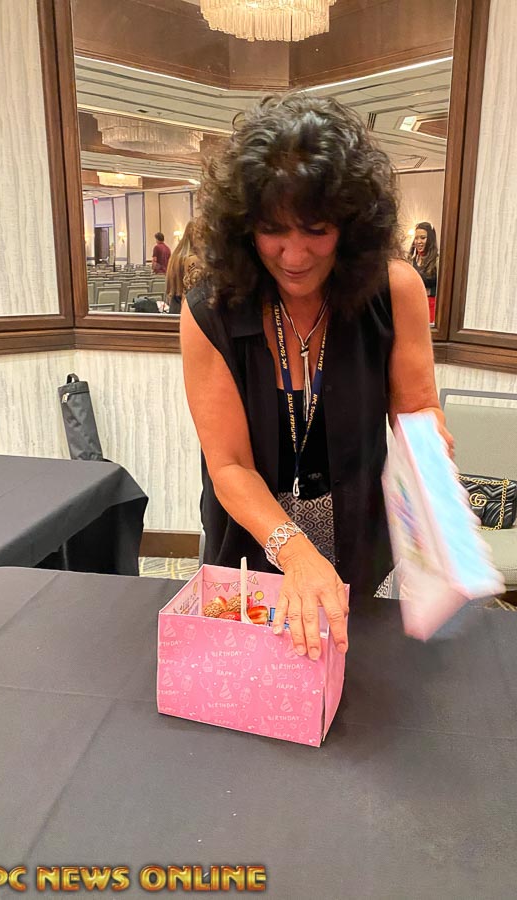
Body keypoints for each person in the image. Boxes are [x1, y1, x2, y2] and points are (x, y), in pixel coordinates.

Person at [180, 94, 453, 660]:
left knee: (361, 677)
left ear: (351, 226)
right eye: (272, 230)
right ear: (244, 226)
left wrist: (428, 444)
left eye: (316, 230)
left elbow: (417, 407)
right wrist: (296, 551)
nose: (295, 255)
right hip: (253, 536)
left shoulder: (394, 290)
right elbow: (229, 466)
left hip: (357, 529)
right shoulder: (211, 311)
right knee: (253, 678)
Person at [166, 220, 202, 315]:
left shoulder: (174, 257)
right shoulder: (193, 259)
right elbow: (192, 290)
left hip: (174, 304)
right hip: (187, 306)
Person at [407, 222, 438, 324]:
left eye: (423, 238)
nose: (419, 241)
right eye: (416, 238)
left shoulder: (437, 261)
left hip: (431, 307)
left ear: (430, 239)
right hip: (414, 305)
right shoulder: (411, 261)